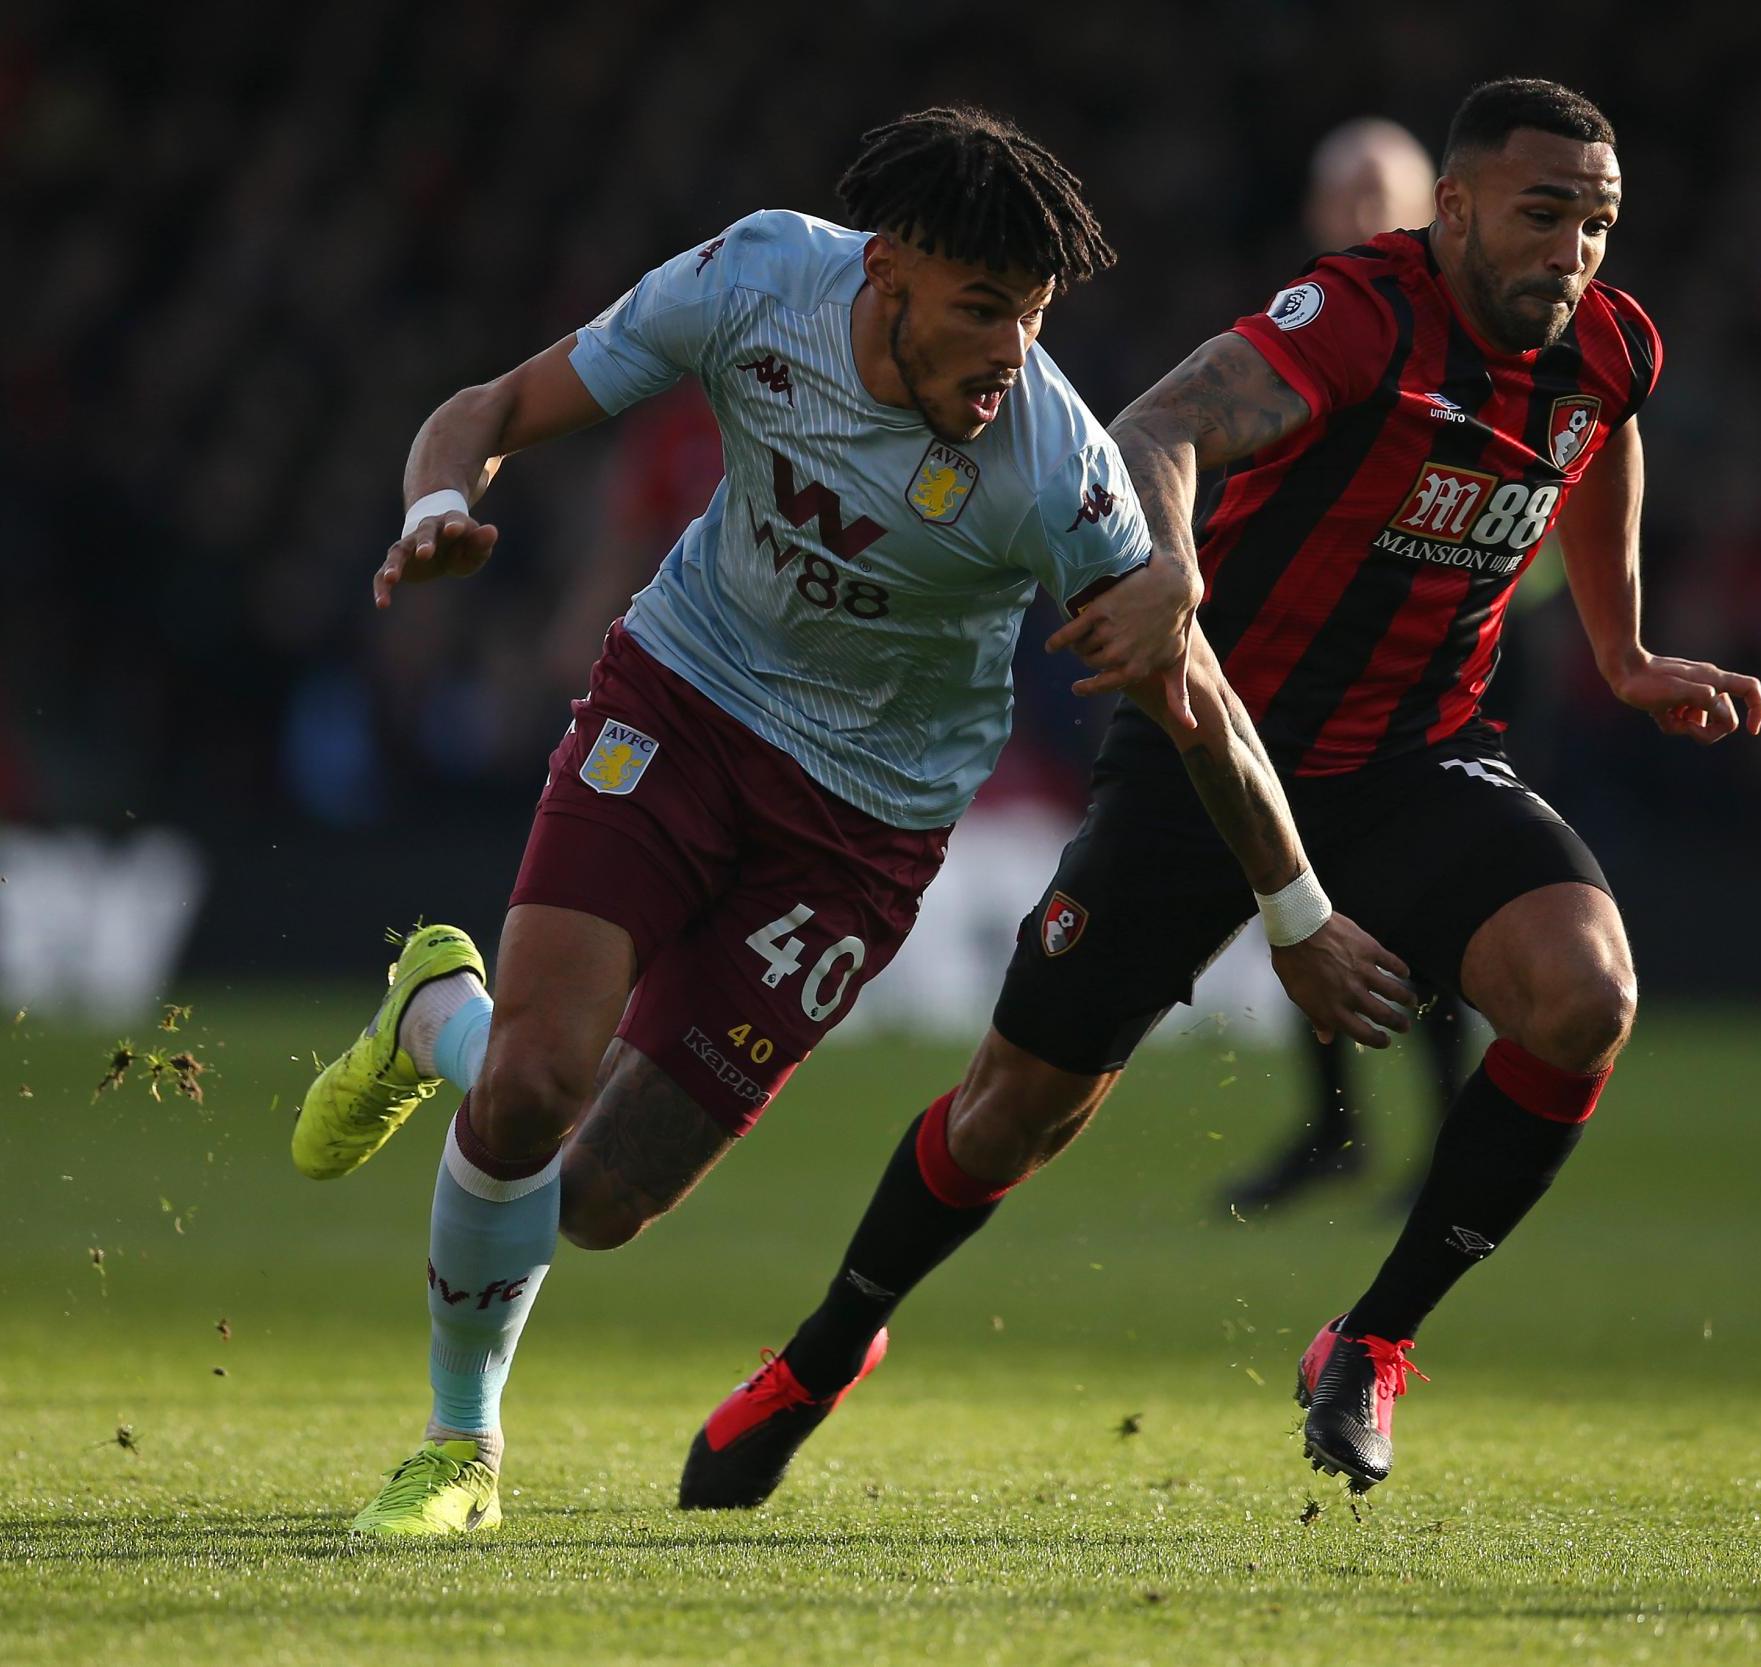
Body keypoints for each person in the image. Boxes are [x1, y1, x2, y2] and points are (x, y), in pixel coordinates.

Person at [289, 105, 1410, 1537]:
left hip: (859, 827)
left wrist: (1295, 911)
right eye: (983, 308)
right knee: (529, 1087)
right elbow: (497, 404)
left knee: (601, 1196)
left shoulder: (1055, 468)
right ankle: (461, 1447)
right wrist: (436, 498)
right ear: (885, 272)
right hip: (680, 701)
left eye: (1035, 316)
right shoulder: (758, 281)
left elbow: (1199, 698)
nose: (1012, 350)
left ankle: (433, 1006)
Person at [729, 77, 1761, 1504]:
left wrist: (1622, 645)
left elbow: (1602, 435)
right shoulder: (1361, 315)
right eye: (1542, 217)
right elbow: (1155, 426)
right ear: (1451, 208)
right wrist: (1170, 572)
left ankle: (1372, 1338)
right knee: (1009, 1112)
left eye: (1595, 224)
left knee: (1585, 991)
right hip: (1211, 747)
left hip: (1411, 757)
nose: (1572, 251)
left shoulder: (1605, 347)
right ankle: (825, 1347)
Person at [1224, 114, 1473, 1215]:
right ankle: (1334, 1127)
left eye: (1382, 193)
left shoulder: (1485, 344)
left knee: (1430, 902)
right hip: (1318, 672)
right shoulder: (1305, 340)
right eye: (1344, 195)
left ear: (1435, 212)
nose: (1362, 215)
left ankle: (1446, 1134)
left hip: (1464, 668)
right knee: (1296, 890)